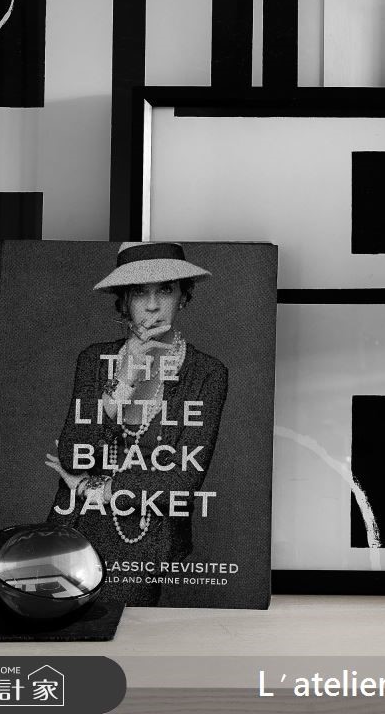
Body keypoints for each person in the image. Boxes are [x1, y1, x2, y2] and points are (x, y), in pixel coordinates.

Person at [44, 242, 228, 605]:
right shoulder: (95, 360)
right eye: (140, 292)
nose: (153, 305)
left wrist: (94, 489)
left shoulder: (207, 373)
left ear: (183, 297)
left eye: (166, 290)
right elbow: (73, 453)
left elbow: (182, 481)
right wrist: (125, 378)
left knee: (123, 630)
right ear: (124, 301)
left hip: (145, 538)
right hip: (76, 527)